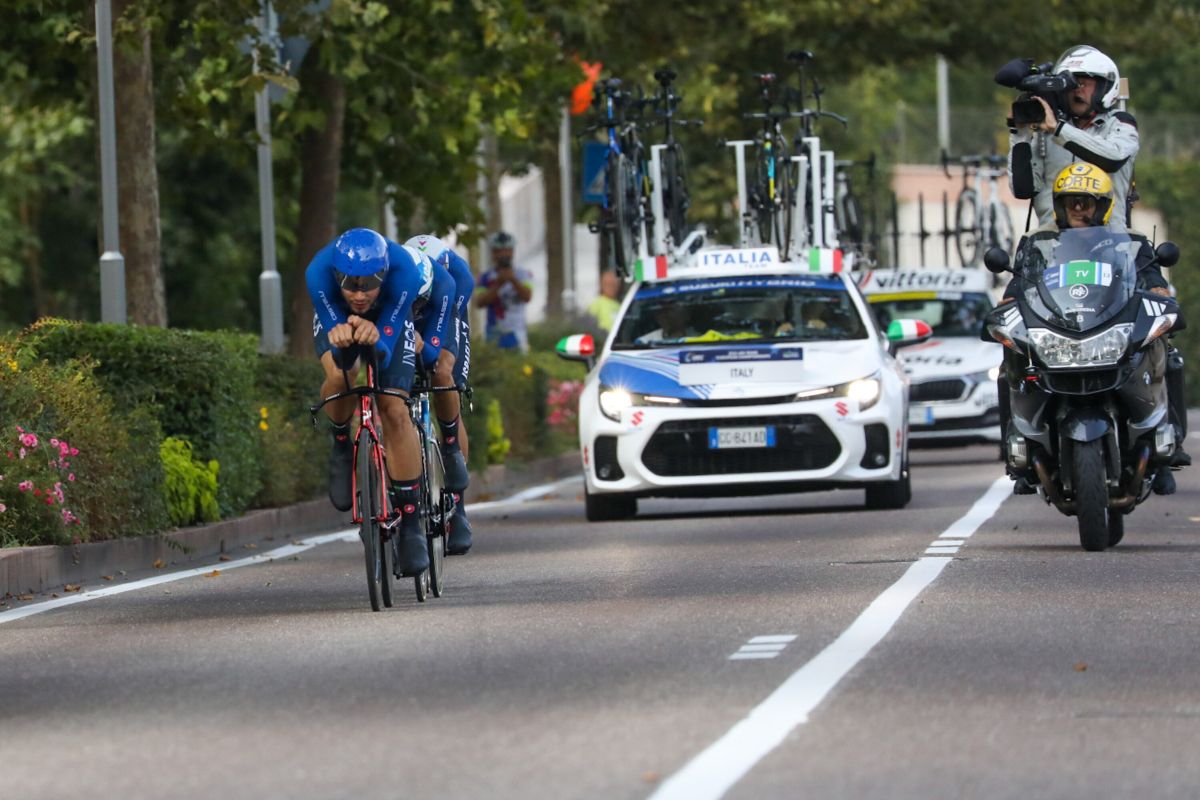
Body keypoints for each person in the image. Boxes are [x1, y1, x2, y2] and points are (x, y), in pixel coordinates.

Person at [997, 164, 1186, 494]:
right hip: (1062, 330)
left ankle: (1170, 444)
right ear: (1059, 205)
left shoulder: (1129, 243)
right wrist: (1007, 303)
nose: (1079, 209)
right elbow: (1019, 283)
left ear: (1103, 206)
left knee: (1168, 353)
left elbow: (1151, 275)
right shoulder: (1041, 245)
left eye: (1087, 201)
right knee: (1009, 361)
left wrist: (1158, 292)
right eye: (1071, 202)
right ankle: (1018, 453)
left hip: (1111, 327)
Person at [306, 228, 442, 577]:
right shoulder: (317, 273)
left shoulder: (404, 272)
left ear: (384, 273)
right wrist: (343, 341)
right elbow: (343, 355)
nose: (360, 293)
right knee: (339, 377)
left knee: (394, 408)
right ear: (336, 276)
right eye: (350, 283)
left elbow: (383, 347)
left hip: (388, 324)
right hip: (336, 319)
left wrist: (373, 338)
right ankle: (340, 443)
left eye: (369, 283)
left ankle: (411, 523)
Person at [1008, 45, 1139, 230]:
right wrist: (1019, 134)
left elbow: (1113, 157)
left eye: (1086, 83)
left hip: (1110, 248)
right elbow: (1023, 189)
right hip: (1053, 250)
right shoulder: (1046, 129)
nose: (1078, 89)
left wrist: (1058, 129)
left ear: (1104, 87)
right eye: (1072, 83)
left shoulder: (1120, 123)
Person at [404, 233, 476, 554]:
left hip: (443, 312)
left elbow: (446, 333)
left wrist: (431, 354)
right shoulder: (401, 271)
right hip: (406, 310)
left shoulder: (457, 276)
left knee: (442, 372)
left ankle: (457, 504)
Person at [474, 230, 534, 352]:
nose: (503, 254)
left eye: (507, 250)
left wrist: (513, 280)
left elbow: (527, 297)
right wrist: (499, 284)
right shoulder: (485, 277)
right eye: (498, 251)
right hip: (493, 332)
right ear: (493, 253)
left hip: (518, 332)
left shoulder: (524, 274)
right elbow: (479, 302)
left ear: (512, 251)